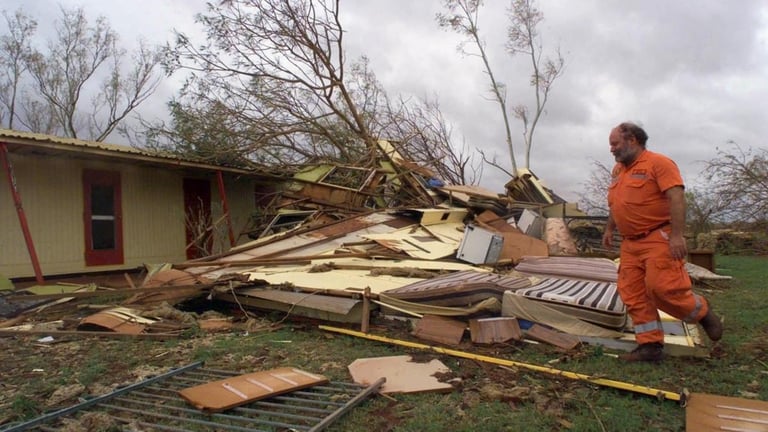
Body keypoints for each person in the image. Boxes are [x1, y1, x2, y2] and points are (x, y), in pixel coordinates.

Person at [601, 122, 723, 362]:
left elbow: (676, 197)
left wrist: (677, 236)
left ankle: (702, 313)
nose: (611, 149)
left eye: (615, 144)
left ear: (632, 140)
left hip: (658, 237)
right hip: (630, 244)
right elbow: (616, 203)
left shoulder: (660, 163)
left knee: (662, 288)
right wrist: (609, 228)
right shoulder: (618, 170)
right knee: (633, 294)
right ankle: (650, 346)